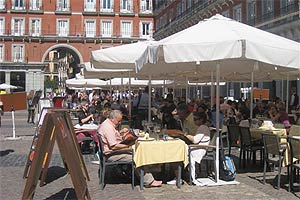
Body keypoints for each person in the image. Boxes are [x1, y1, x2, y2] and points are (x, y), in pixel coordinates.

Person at [98, 110, 162, 187]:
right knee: (137, 157)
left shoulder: (108, 124)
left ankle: (143, 172)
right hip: (111, 154)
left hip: (111, 151)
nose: (119, 123)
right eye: (118, 121)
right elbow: (114, 146)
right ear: (112, 118)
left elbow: (113, 138)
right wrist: (128, 146)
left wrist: (121, 133)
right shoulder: (108, 127)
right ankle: (148, 181)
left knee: (138, 152)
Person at [166, 112, 211, 186]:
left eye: (196, 119)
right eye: (194, 119)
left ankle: (178, 177)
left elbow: (195, 140)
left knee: (177, 153)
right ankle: (178, 176)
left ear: (201, 120)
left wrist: (185, 134)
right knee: (178, 152)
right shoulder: (201, 127)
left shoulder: (203, 127)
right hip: (196, 147)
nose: (194, 121)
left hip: (199, 149)